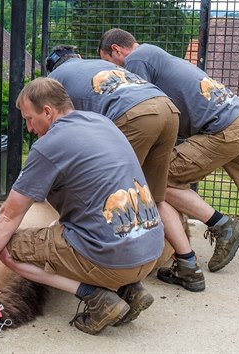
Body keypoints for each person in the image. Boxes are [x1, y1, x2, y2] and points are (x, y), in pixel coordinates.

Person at [98, 29, 239, 288]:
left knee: (160, 182)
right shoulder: (155, 54)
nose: (115, 71)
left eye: (111, 63)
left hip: (222, 129)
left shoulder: (137, 59)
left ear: (117, 50)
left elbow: (139, 102)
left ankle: (222, 226)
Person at [0, 77, 164, 335]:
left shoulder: (48, 145)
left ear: (48, 112)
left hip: (113, 259)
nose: (29, 128)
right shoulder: (102, 122)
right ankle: (131, 289)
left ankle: (95, 297)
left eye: (29, 119)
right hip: (150, 251)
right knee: (73, 231)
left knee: (8, 249)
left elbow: (8, 215)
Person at [45, 45, 193, 288]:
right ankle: (188, 263)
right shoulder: (96, 65)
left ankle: (121, 268)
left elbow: (57, 135)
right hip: (166, 108)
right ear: (78, 56)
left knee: (111, 188)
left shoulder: (54, 82)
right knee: (152, 196)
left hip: (134, 115)